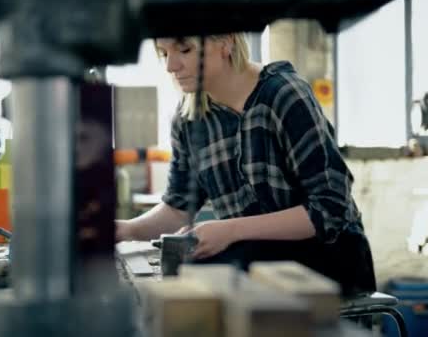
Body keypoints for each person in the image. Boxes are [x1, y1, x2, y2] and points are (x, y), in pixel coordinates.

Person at [116, 33, 376, 296]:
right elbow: (177, 209)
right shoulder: (188, 121)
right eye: (163, 53)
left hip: (332, 255)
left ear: (226, 42)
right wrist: (127, 229)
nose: (171, 66)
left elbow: (330, 208)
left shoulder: (283, 95)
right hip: (253, 255)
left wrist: (230, 231)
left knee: (207, 272)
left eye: (184, 49)